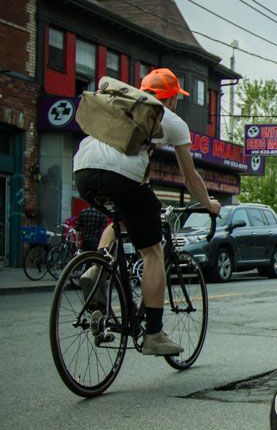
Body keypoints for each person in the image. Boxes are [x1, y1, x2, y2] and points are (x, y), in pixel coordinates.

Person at [72, 68, 221, 356]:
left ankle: (97, 267)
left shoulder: (119, 101)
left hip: (84, 170)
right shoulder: (171, 120)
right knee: (152, 251)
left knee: (119, 219)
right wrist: (208, 204)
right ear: (172, 98)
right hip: (122, 177)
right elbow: (190, 177)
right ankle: (154, 333)